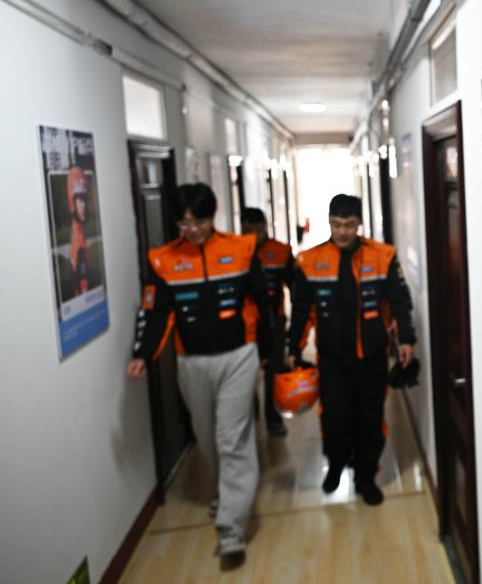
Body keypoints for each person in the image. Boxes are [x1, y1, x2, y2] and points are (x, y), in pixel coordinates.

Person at [126, 183, 275, 558]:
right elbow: (155, 312)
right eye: (184, 223)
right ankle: (224, 490)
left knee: (231, 438)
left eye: (200, 221)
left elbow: (263, 301)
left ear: (213, 216)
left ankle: (231, 527)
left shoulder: (241, 249)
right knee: (206, 438)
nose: (192, 230)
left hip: (238, 357)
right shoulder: (163, 261)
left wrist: (272, 351)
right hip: (192, 362)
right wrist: (143, 353)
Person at [288, 194, 415, 505]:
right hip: (331, 359)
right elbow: (301, 310)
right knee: (334, 420)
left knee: (370, 420)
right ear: (329, 223)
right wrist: (294, 348)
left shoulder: (382, 256)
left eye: (348, 225)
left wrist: (406, 339)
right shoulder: (309, 261)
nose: (342, 232)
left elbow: (399, 301)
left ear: (359, 223)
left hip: (371, 357)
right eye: (336, 224)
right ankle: (336, 464)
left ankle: (365, 477)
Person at [240, 207, 294, 437]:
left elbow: (295, 287)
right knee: (245, 373)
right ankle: (248, 421)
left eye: (259, 229)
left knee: (274, 370)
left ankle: (273, 418)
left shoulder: (281, 251)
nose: (255, 234)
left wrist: (297, 326)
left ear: (265, 227)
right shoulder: (236, 252)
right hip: (244, 323)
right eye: (249, 229)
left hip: (274, 320)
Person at [66, 167, 90, 296]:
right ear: (72, 204)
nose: (84, 205)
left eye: (84, 199)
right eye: (80, 200)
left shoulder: (81, 237)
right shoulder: (78, 244)